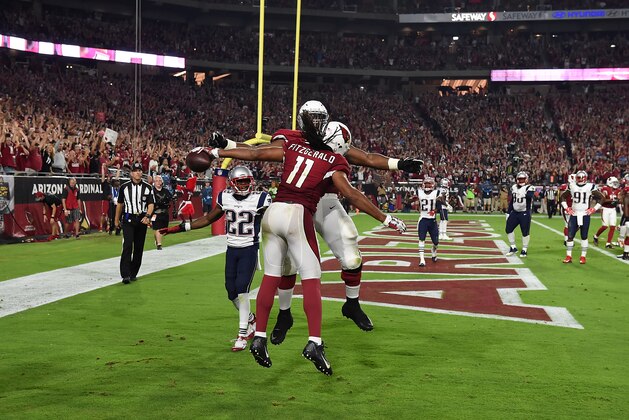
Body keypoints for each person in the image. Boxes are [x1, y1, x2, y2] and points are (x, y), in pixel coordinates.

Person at [206, 111, 407, 375]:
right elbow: (351, 194)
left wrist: (220, 151)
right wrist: (385, 217)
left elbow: (256, 153)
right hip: (298, 213)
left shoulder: (293, 144)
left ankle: (260, 337)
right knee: (312, 276)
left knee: (270, 276)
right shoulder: (334, 159)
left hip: (274, 212)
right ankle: (314, 342)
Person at [160, 166, 271, 351]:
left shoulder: (261, 199)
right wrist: (180, 228)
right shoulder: (224, 197)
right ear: (232, 183)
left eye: (246, 181)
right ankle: (251, 319)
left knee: (243, 290)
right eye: (240, 181)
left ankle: (242, 335)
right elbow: (208, 219)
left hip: (249, 249)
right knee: (231, 291)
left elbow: (274, 219)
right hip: (232, 249)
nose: (244, 185)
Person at [115, 162, 154, 284]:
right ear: (131, 173)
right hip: (128, 219)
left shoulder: (148, 187)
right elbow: (120, 204)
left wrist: (148, 216)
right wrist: (116, 219)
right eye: (136, 170)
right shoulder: (124, 187)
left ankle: (133, 273)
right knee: (127, 245)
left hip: (142, 219)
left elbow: (151, 204)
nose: (138, 172)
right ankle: (125, 274)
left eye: (140, 170)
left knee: (138, 248)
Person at [560, 170, 604, 264]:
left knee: (584, 236)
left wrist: (594, 209)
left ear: (585, 178)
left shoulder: (590, 186)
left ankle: (583, 256)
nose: (579, 179)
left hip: (584, 214)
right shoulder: (571, 185)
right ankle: (568, 256)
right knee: (570, 235)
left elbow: (602, 198)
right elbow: (562, 197)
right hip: (574, 214)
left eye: (581, 178)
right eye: (578, 177)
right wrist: (567, 208)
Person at [505, 171, 535, 258]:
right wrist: (508, 212)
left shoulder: (529, 187)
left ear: (526, 179)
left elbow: (530, 196)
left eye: (522, 179)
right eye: (519, 179)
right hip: (515, 212)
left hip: (524, 212)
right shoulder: (514, 187)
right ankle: (513, 247)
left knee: (525, 232)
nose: (521, 181)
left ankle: (524, 249)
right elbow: (512, 201)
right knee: (508, 229)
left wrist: (524, 193)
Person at [417, 177, 445, 267]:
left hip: (432, 221)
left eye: (429, 184)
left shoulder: (436, 193)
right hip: (423, 219)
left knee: (436, 241)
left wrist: (436, 208)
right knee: (421, 239)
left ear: (432, 185)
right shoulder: (419, 192)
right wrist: (411, 199)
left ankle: (433, 250)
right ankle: (422, 259)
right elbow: (408, 200)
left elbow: (440, 204)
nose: (428, 185)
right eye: (426, 183)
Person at [592, 176, 620, 248]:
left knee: (613, 226)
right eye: (614, 182)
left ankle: (608, 243)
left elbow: (619, 200)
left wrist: (618, 201)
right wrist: (612, 201)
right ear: (610, 183)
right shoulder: (605, 189)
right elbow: (603, 199)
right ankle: (596, 236)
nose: (615, 184)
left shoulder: (617, 190)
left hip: (613, 209)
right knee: (605, 226)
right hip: (605, 209)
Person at [151, 175, 172, 250]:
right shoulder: (152, 191)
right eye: (156, 181)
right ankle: (159, 244)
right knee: (157, 228)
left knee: (164, 230)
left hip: (164, 212)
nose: (158, 182)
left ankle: (157, 239)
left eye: (160, 181)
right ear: (154, 182)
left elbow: (170, 198)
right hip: (155, 212)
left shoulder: (165, 191)